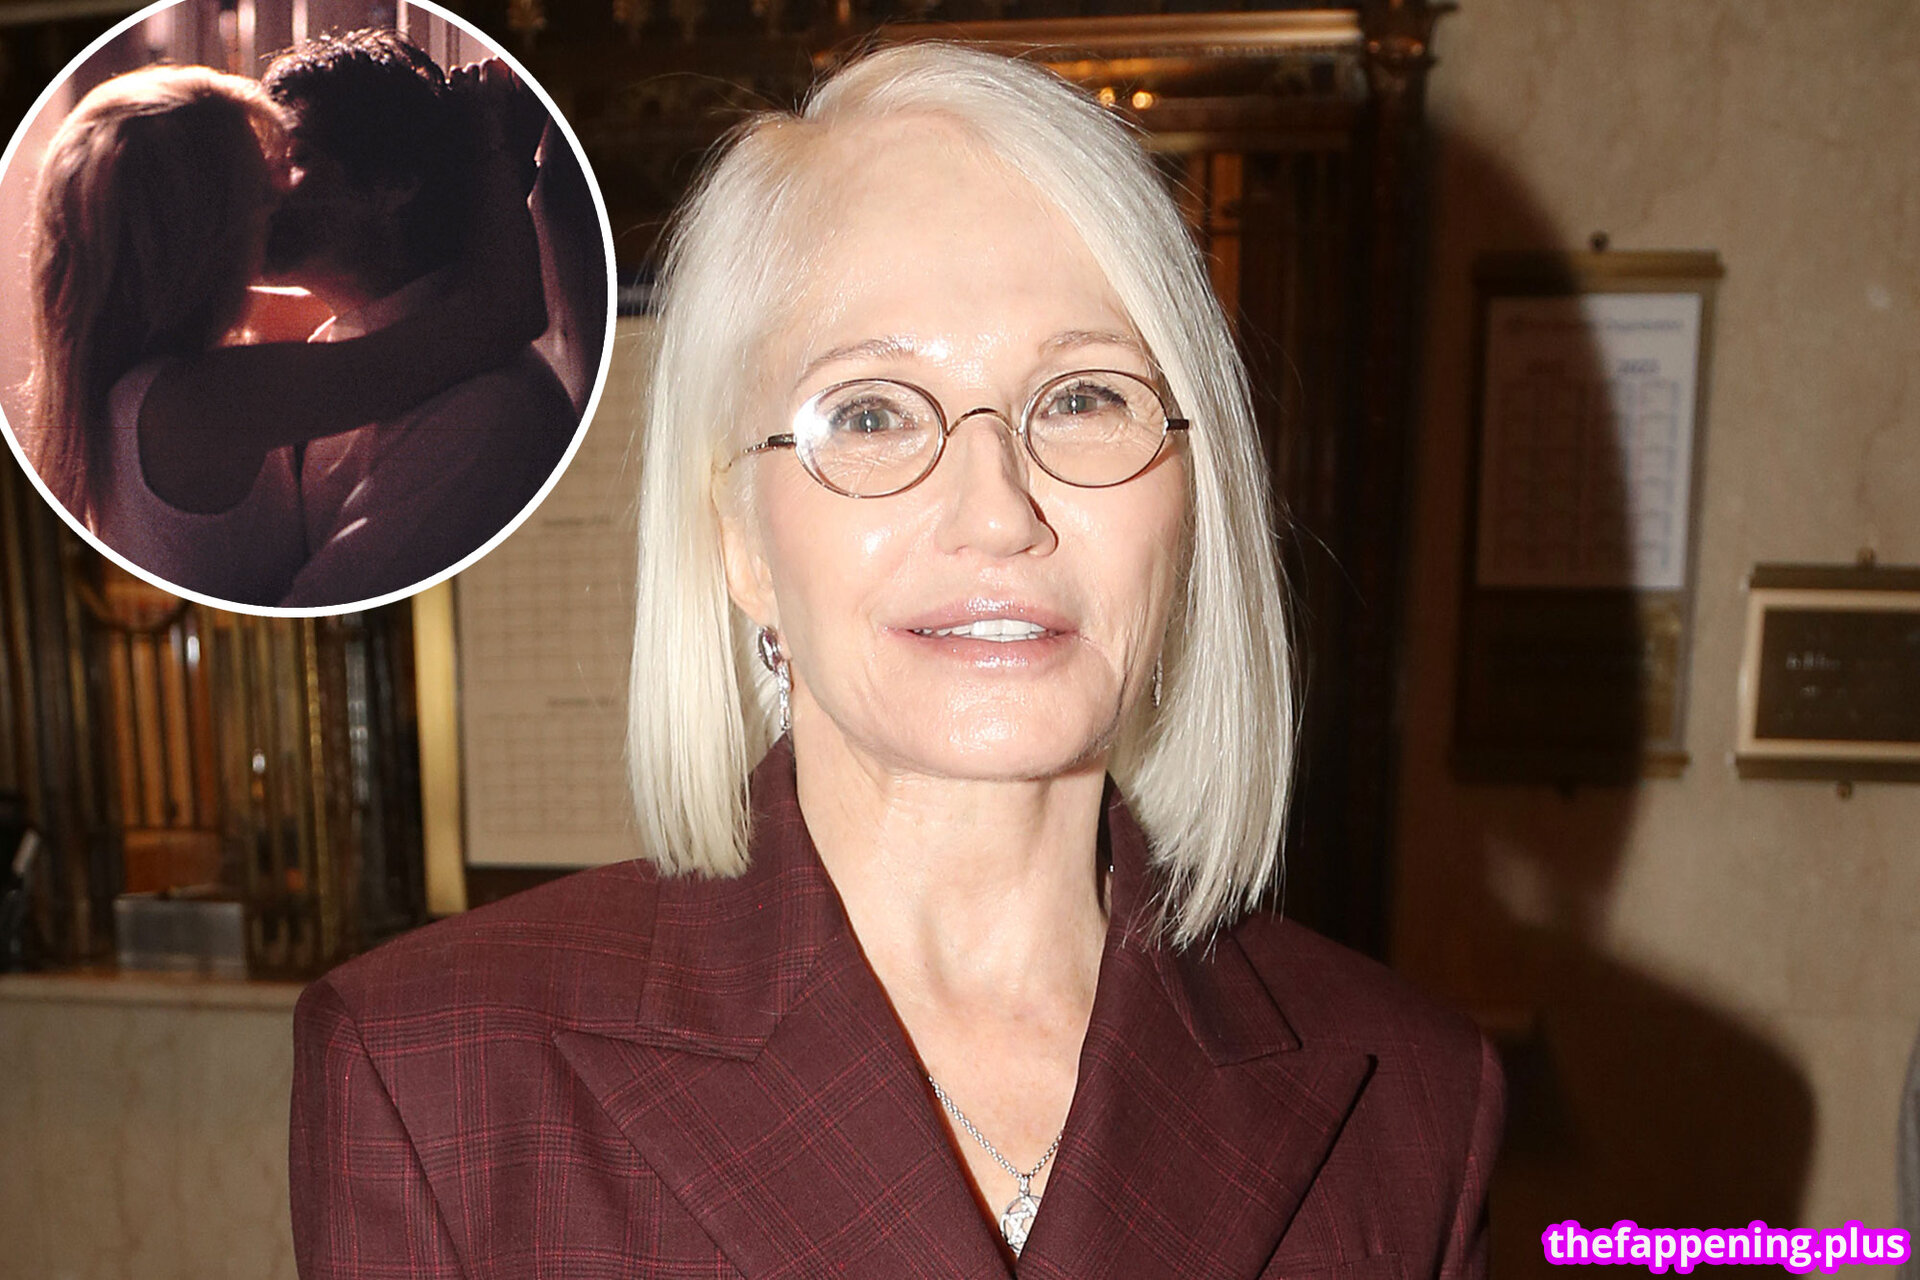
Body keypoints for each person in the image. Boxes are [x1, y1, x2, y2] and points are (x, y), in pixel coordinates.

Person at [289, 43, 1502, 1278]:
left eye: (1083, 397)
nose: (999, 511)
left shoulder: (1415, 1097)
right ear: (739, 537)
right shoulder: (437, 1074)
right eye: (869, 411)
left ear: (1189, 499)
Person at [19, 61, 547, 607]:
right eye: (257, 186)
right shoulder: (202, 400)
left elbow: (382, 309)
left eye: (295, 161)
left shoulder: (145, 368)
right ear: (203, 223)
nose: (278, 199)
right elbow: (500, 314)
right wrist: (492, 152)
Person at [261, 29, 577, 609]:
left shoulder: (485, 414)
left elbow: (322, 604)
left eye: (296, 158)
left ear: (396, 183)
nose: (262, 190)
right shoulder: (334, 341)